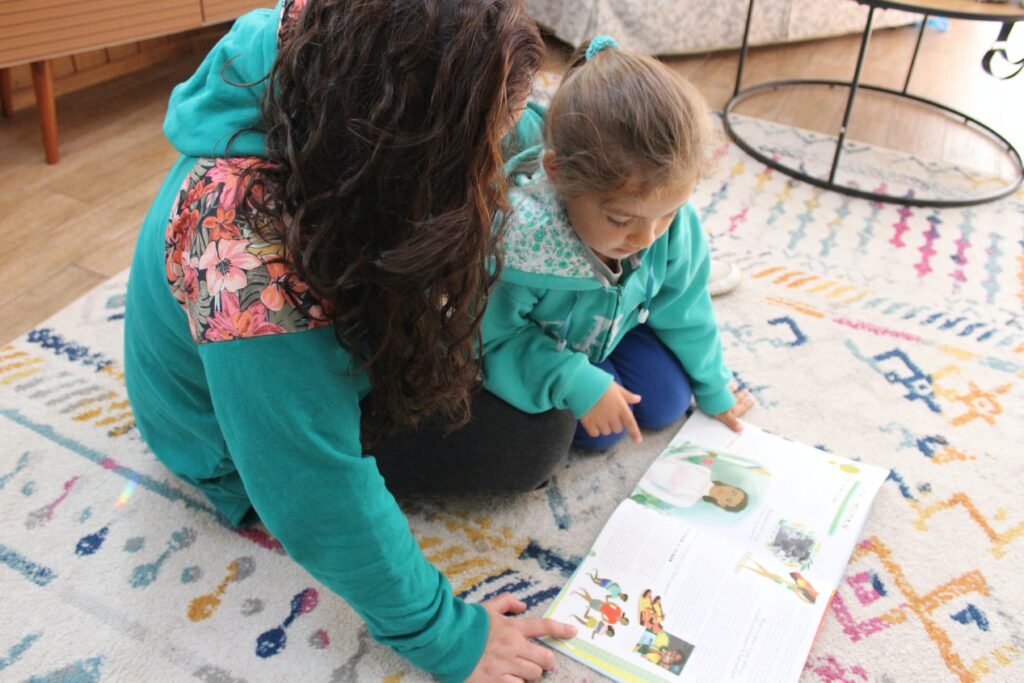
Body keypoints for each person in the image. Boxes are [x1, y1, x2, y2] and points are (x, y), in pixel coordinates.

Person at [124, 1, 579, 680]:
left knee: (523, 358)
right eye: (479, 145)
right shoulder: (244, 258)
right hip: (231, 445)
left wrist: (603, 163)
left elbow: (513, 120)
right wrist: (445, 633)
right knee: (534, 435)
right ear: (407, 137)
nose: (496, 162)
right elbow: (312, 490)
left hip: (284, 363)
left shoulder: (325, 47)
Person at [481, 36, 754, 452]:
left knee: (667, 402)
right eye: (622, 219)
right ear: (557, 173)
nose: (647, 238)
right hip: (534, 345)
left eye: (668, 213)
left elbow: (687, 307)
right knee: (602, 433)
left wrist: (714, 386)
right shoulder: (521, 246)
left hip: (617, 326)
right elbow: (486, 341)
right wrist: (571, 378)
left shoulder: (672, 225)